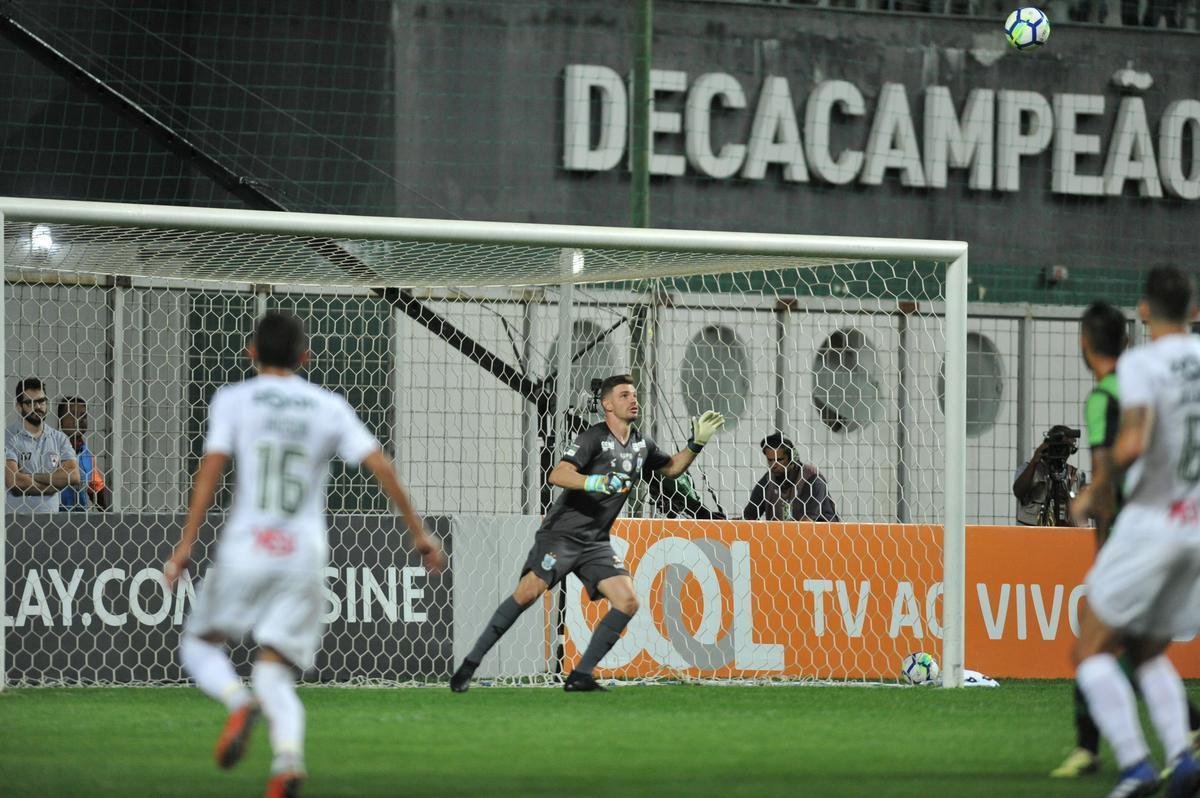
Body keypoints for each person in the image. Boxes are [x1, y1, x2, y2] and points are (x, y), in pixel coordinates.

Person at [162, 312, 444, 798]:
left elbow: (211, 467)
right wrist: (419, 534)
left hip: (247, 547)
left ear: (251, 352)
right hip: (303, 557)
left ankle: (237, 702)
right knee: (274, 673)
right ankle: (288, 759)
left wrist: (186, 544)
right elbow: (381, 464)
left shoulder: (234, 399)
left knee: (199, 646)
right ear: (305, 357)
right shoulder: (327, 405)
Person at [449, 373, 725, 693]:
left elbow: (673, 468)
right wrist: (595, 481)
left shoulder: (642, 445)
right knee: (527, 594)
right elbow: (558, 474)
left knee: (627, 601)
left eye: (634, 395)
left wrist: (696, 443)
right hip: (562, 535)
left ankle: (580, 675)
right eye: (624, 395)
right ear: (607, 404)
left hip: (596, 543)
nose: (633, 400)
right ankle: (469, 665)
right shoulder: (592, 438)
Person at [1054, 301, 1200, 778]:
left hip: (1138, 534)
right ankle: (1134, 745)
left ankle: (1120, 752)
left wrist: (1103, 544)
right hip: (1182, 523)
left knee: (1098, 640)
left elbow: (1105, 479)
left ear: (1084, 343)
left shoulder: (1106, 397)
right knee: (1133, 647)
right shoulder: (1155, 384)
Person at [4, 377, 80, 513]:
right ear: (19, 406)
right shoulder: (8, 436)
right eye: (30, 403)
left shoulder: (59, 438)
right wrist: (52, 486)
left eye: (41, 401)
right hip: (16, 521)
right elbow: (14, 482)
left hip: (51, 522)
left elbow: (73, 476)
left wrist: (31, 476)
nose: (38, 407)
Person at [743, 432, 838, 522]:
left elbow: (807, 522)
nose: (773, 465)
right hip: (786, 532)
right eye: (770, 460)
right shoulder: (768, 480)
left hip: (821, 532)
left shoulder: (811, 479)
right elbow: (749, 516)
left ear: (792, 457)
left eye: (779, 459)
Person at [1013, 425, 1085, 526]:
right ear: (1047, 446)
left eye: (1065, 447)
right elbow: (1018, 492)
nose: (1059, 450)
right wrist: (1034, 461)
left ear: (1071, 449)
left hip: (1064, 532)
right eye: (1056, 446)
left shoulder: (1076, 475)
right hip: (1032, 532)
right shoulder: (1029, 469)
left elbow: (1084, 513)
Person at [57, 396, 111, 511]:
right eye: (73, 415)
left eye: (83, 415)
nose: (79, 419)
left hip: (80, 519)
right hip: (54, 518)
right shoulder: (51, 449)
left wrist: (111, 514)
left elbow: (97, 490)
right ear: (60, 421)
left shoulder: (86, 455)